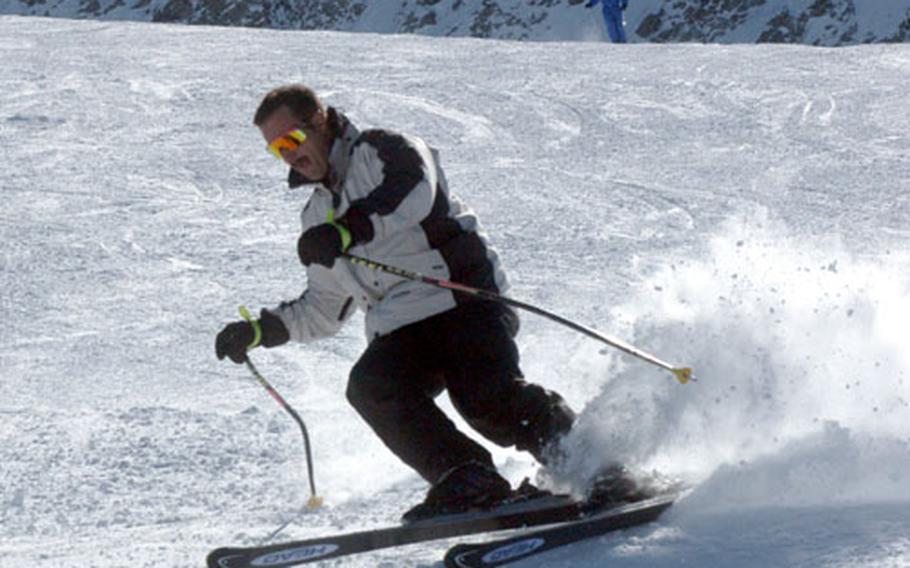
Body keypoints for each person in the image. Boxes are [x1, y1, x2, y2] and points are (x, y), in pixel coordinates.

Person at [214, 84, 579, 520]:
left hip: (462, 298)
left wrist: (348, 229)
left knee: (484, 398)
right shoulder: (316, 216)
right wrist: (261, 330)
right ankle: (466, 476)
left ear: (322, 122)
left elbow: (413, 194)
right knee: (373, 385)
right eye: (276, 149)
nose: (288, 155)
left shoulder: (385, 151)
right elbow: (326, 307)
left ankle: (592, 462)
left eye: (291, 140)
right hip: (403, 325)